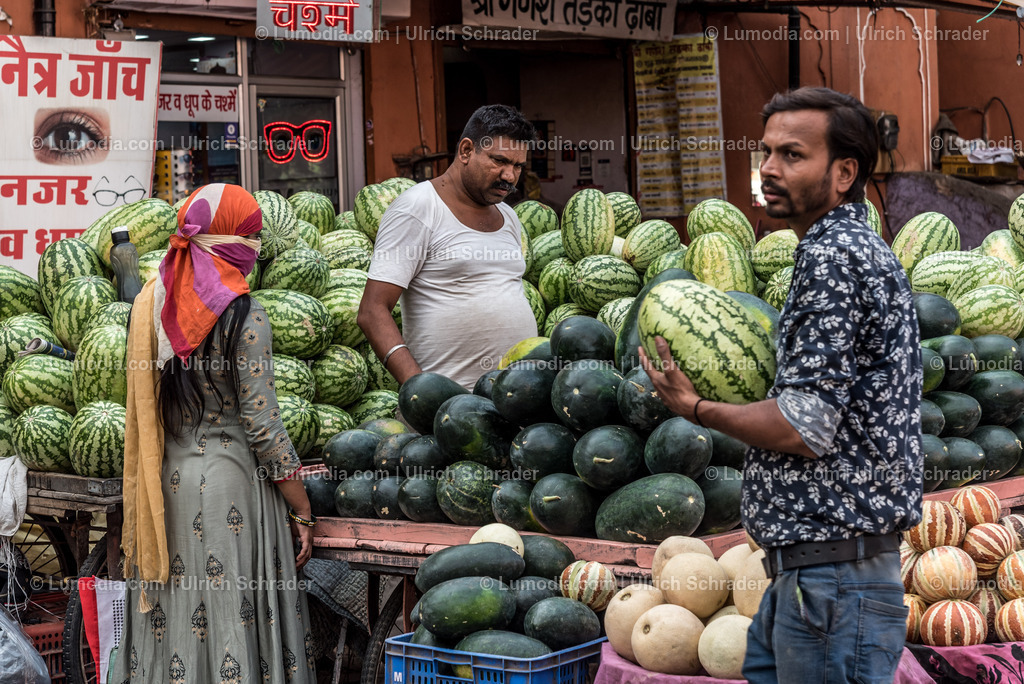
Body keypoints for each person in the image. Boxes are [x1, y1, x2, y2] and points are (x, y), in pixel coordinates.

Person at [641, 87, 922, 682]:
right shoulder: (839, 249)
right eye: (766, 152)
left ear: (844, 172)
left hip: (833, 583)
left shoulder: (833, 259)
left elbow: (805, 425)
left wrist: (695, 407)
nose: (768, 169)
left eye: (792, 155)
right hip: (812, 576)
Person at [112, 183, 316, 683]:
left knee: (176, 620)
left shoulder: (152, 304)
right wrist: (301, 504)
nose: (257, 248)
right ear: (231, 243)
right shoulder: (245, 313)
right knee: (232, 619)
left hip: (167, 486)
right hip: (234, 489)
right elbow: (263, 424)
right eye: (252, 237)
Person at [358, 104, 539, 391]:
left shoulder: (509, 216)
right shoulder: (417, 208)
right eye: (499, 161)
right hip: (448, 412)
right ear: (466, 151)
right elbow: (372, 311)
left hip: (513, 400)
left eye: (517, 166)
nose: (509, 176)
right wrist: (419, 388)